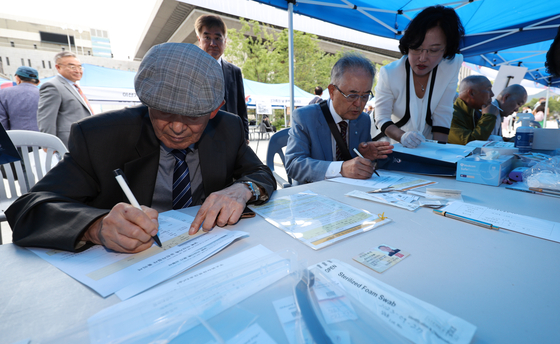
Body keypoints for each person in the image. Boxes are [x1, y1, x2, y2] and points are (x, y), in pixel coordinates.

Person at [6, 43, 276, 253]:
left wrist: (243, 189)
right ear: (146, 102)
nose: (178, 128)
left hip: (213, 255)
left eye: (194, 116)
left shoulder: (227, 128)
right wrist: (95, 227)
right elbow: (28, 209)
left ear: (215, 110)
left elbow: (261, 173)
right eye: (164, 112)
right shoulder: (101, 136)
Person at [285, 53, 393, 185]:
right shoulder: (305, 117)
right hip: (313, 196)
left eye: (365, 96)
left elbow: (354, 167)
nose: (359, 104)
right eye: (352, 95)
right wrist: (340, 169)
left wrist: (366, 157)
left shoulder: (363, 120)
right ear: (331, 91)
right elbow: (293, 165)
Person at [373, 5, 464, 148]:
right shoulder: (389, 73)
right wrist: (402, 136)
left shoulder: (451, 66)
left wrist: (438, 153)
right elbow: (381, 117)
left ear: (446, 49)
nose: (422, 58)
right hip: (389, 146)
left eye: (433, 50)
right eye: (416, 48)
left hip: (426, 147)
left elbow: (443, 116)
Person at [195, 15, 249, 143]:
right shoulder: (190, 68)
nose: (212, 44)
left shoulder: (235, 72)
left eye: (217, 38)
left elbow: (241, 107)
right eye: (207, 37)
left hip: (229, 137)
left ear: (225, 41)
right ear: (199, 39)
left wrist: (245, 137)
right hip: (198, 139)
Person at [37, 51, 93, 147]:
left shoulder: (74, 87)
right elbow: (46, 118)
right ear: (58, 67)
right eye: (72, 67)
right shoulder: (53, 86)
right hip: (67, 143)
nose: (78, 70)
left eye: (80, 67)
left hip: (83, 140)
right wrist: (48, 144)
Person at [448, 76, 497, 144]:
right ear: (472, 93)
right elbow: (471, 143)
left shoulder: (474, 111)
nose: (492, 94)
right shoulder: (450, 115)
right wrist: (488, 117)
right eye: (488, 89)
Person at [0, 66, 40, 131]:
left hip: (15, 138)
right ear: (38, 82)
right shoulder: (44, 94)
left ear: (17, 78)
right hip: (42, 138)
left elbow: (2, 123)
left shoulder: (3, 93)